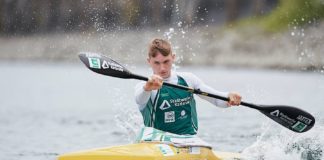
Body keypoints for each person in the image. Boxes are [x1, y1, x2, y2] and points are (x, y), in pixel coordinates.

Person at [135, 38, 241, 135]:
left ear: (173, 58)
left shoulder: (188, 79)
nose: (162, 68)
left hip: (187, 140)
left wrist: (229, 97)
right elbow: (140, 100)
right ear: (149, 62)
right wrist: (148, 87)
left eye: (166, 61)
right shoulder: (143, 86)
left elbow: (216, 99)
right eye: (157, 63)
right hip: (155, 142)